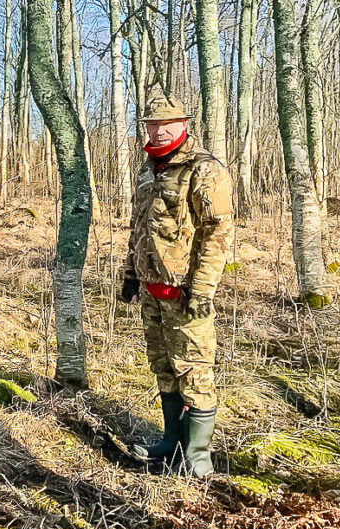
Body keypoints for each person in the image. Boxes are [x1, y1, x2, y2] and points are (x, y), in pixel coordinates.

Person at [119, 93, 234, 477]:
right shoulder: (147, 170)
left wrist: (202, 289)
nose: (159, 129)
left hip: (186, 294)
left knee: (195, 372)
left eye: (166, 123)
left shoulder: (203, 169)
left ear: (183, 124)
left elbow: (217, 232)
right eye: (152, 124)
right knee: (164, 368)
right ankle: (171, 443)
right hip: (152, 292)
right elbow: (138, 229)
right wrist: (131, 274)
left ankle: (197, 459)